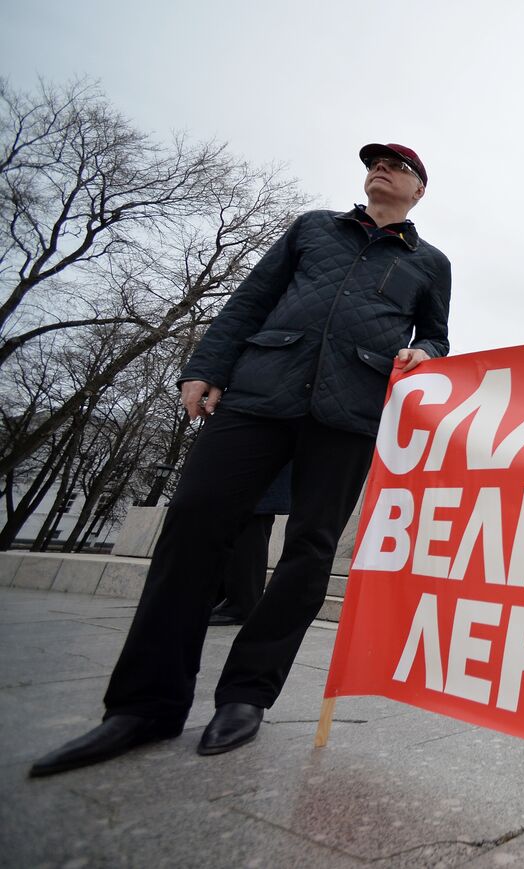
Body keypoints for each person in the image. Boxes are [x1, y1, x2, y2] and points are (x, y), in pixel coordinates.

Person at [30, 142, 451, 776]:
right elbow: (251, 300)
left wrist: (427, 354)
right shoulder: (313, 229)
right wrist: (205, 367)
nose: (381, 169)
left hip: (349, 412)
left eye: (398, 166)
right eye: (374, 161)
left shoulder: (429, 262)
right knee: (193, 525)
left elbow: (437, 336)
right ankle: (144, 705)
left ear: (419, 191)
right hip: (261, 391)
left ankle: (247, 696)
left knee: (311, 549)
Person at [208, 465, 293, 626]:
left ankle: (241, 604)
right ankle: (230, 600)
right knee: (238, 528)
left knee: (250, 530)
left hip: (259, 482)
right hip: (247, 483)